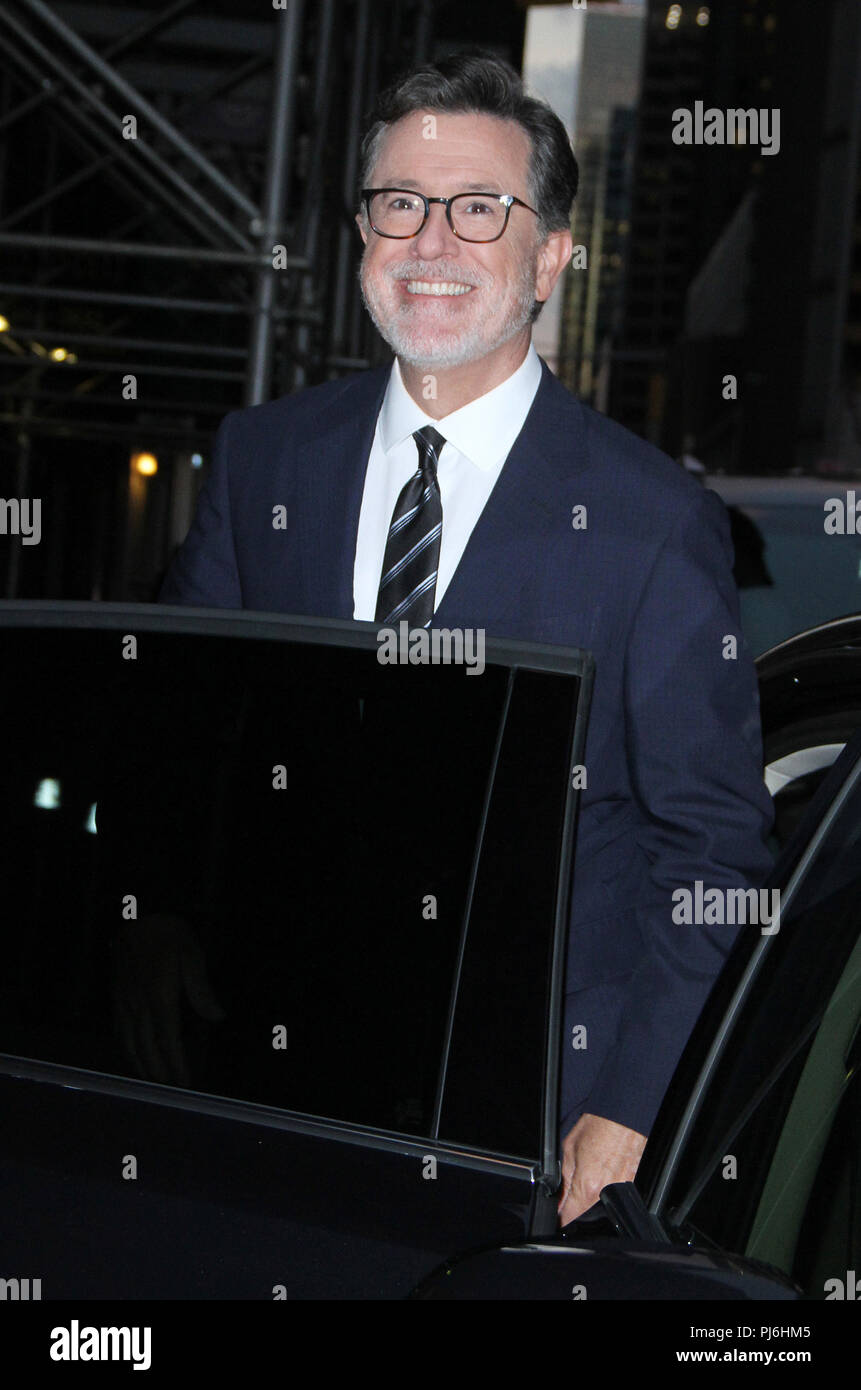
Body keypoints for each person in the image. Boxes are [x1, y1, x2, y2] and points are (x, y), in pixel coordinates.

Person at [158, 52, 775, 1226]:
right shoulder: (264, 460)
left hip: (524, 1131)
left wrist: (629, 1106)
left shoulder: (653, 523)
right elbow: (189, 738)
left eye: (479, 209)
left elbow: (715, 856)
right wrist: (162, 931)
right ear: (361, 239)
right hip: (266, 1100)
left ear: (548, 258)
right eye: (400, 203)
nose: (431, 241)